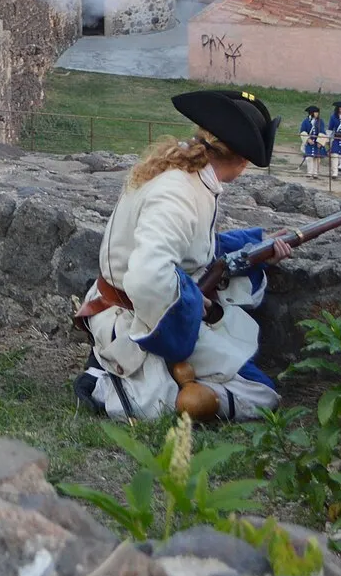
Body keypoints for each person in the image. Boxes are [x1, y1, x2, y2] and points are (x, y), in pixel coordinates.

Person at [73, 90, 292, 423]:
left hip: (153, 310)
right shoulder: (177, 193)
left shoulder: (186, 177)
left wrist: (256, 246)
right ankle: (111, 384)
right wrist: (191, 300)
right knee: (259, 394)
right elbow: (148, 277)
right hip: (140, 318)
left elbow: (191, 247)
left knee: (248, 376)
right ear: (243, 160)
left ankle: (143, 376)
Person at [300, 105, 326, 179]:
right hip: (309, 142)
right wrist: (307, 139)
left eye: (317, 112)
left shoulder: (320, 121)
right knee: (309, 158)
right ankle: (309, 172)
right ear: (311, 113)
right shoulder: (305, 121)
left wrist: (320, 142)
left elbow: (322, 131)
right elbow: (302, 131)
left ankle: (315, 173)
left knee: (317, 159)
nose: (317, 114)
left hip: (317, 142)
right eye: (315, 112)